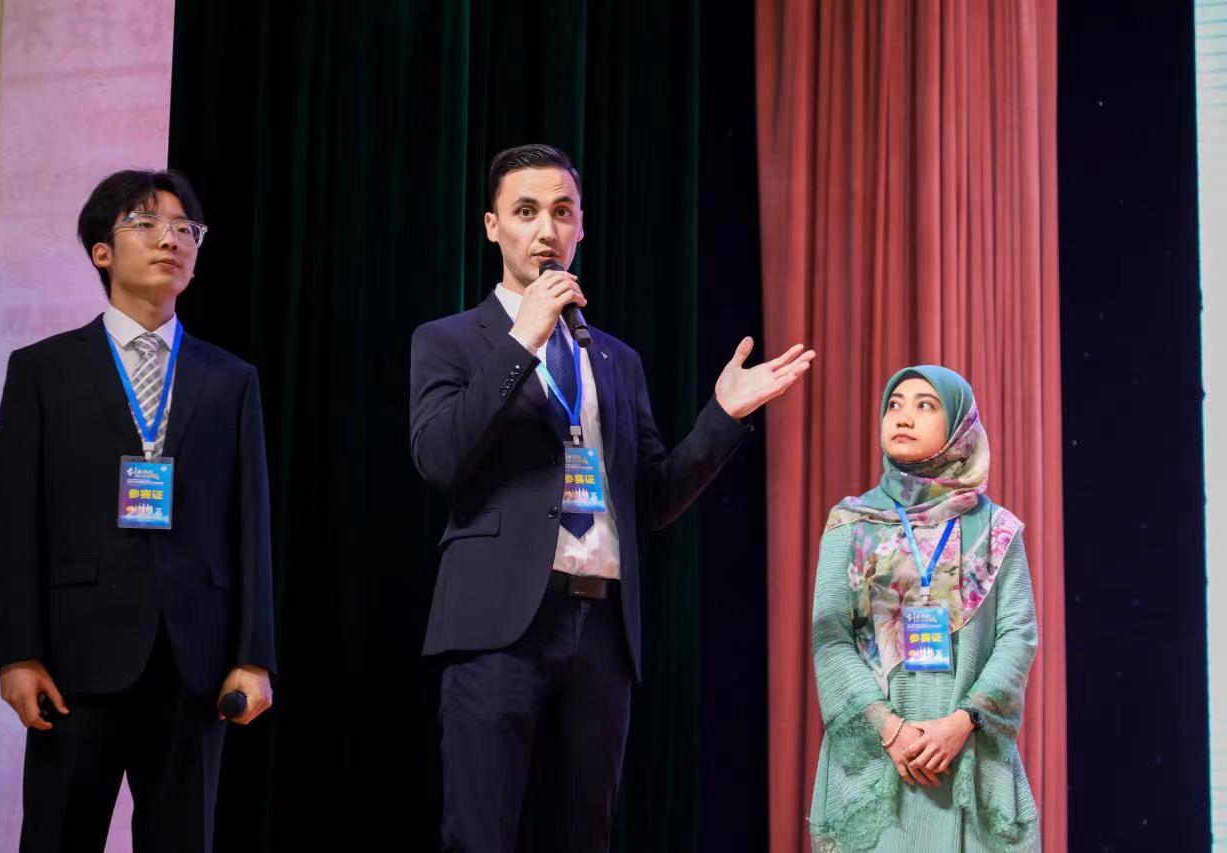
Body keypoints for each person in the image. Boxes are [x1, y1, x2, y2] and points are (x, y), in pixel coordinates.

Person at [409, 143, 816, 851]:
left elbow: (651, 498)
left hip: (600, 631)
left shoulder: (616, 359)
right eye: (526, 212)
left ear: (581, 227)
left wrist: (722, 417)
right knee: (479, 836)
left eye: (561, 212)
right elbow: (440, 457)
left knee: (586, 837)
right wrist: (523, 339)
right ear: (492, 226)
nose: (546, 230)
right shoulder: (449, 341)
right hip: (497, 627)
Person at [0, 169, 276, 852]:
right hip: (73, 661)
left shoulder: (232, 379)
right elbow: (15, 522)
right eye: (146, 225)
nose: (170, 240)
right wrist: (17, 652)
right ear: (102, 251)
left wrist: (254, 655)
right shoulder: (42, 370)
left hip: (195, 662)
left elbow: (252, 524)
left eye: (185, 228)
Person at [808, 365, 1040, 852]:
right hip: (877, 760)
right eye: (894, 405)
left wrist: (963, 722)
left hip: (968, 753)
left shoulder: (997, 530)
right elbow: (831, 640)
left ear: (959, 427)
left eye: (924, 405)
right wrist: (891, 731)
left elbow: (1017, 635)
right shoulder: (851, 523)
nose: (903, 417)